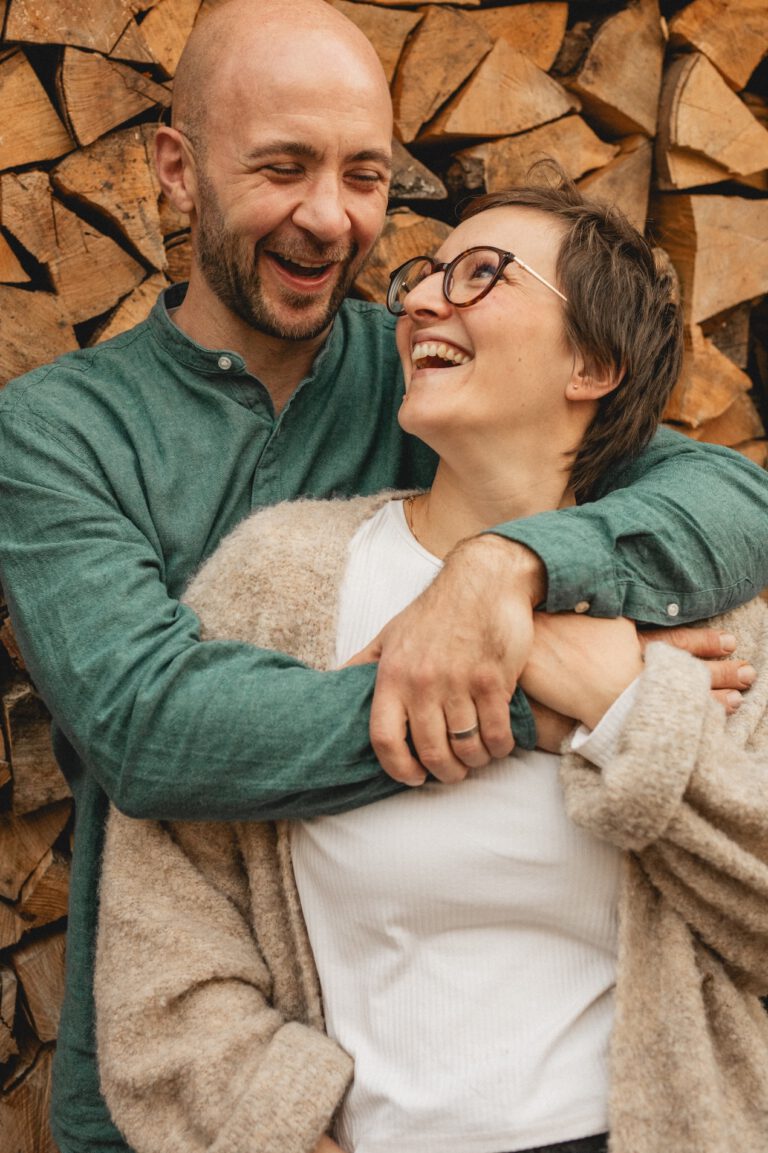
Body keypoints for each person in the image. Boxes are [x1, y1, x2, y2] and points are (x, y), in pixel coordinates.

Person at [0, 1, 765, 1150]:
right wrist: (547, 690)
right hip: (182, 1084)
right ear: (175, 171)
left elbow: (726, 498)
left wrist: (506, 567)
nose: (330, 218)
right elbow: (150, 730)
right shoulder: (59, 428)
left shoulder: (433, 372)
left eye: (365, 175)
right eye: (283, 167)